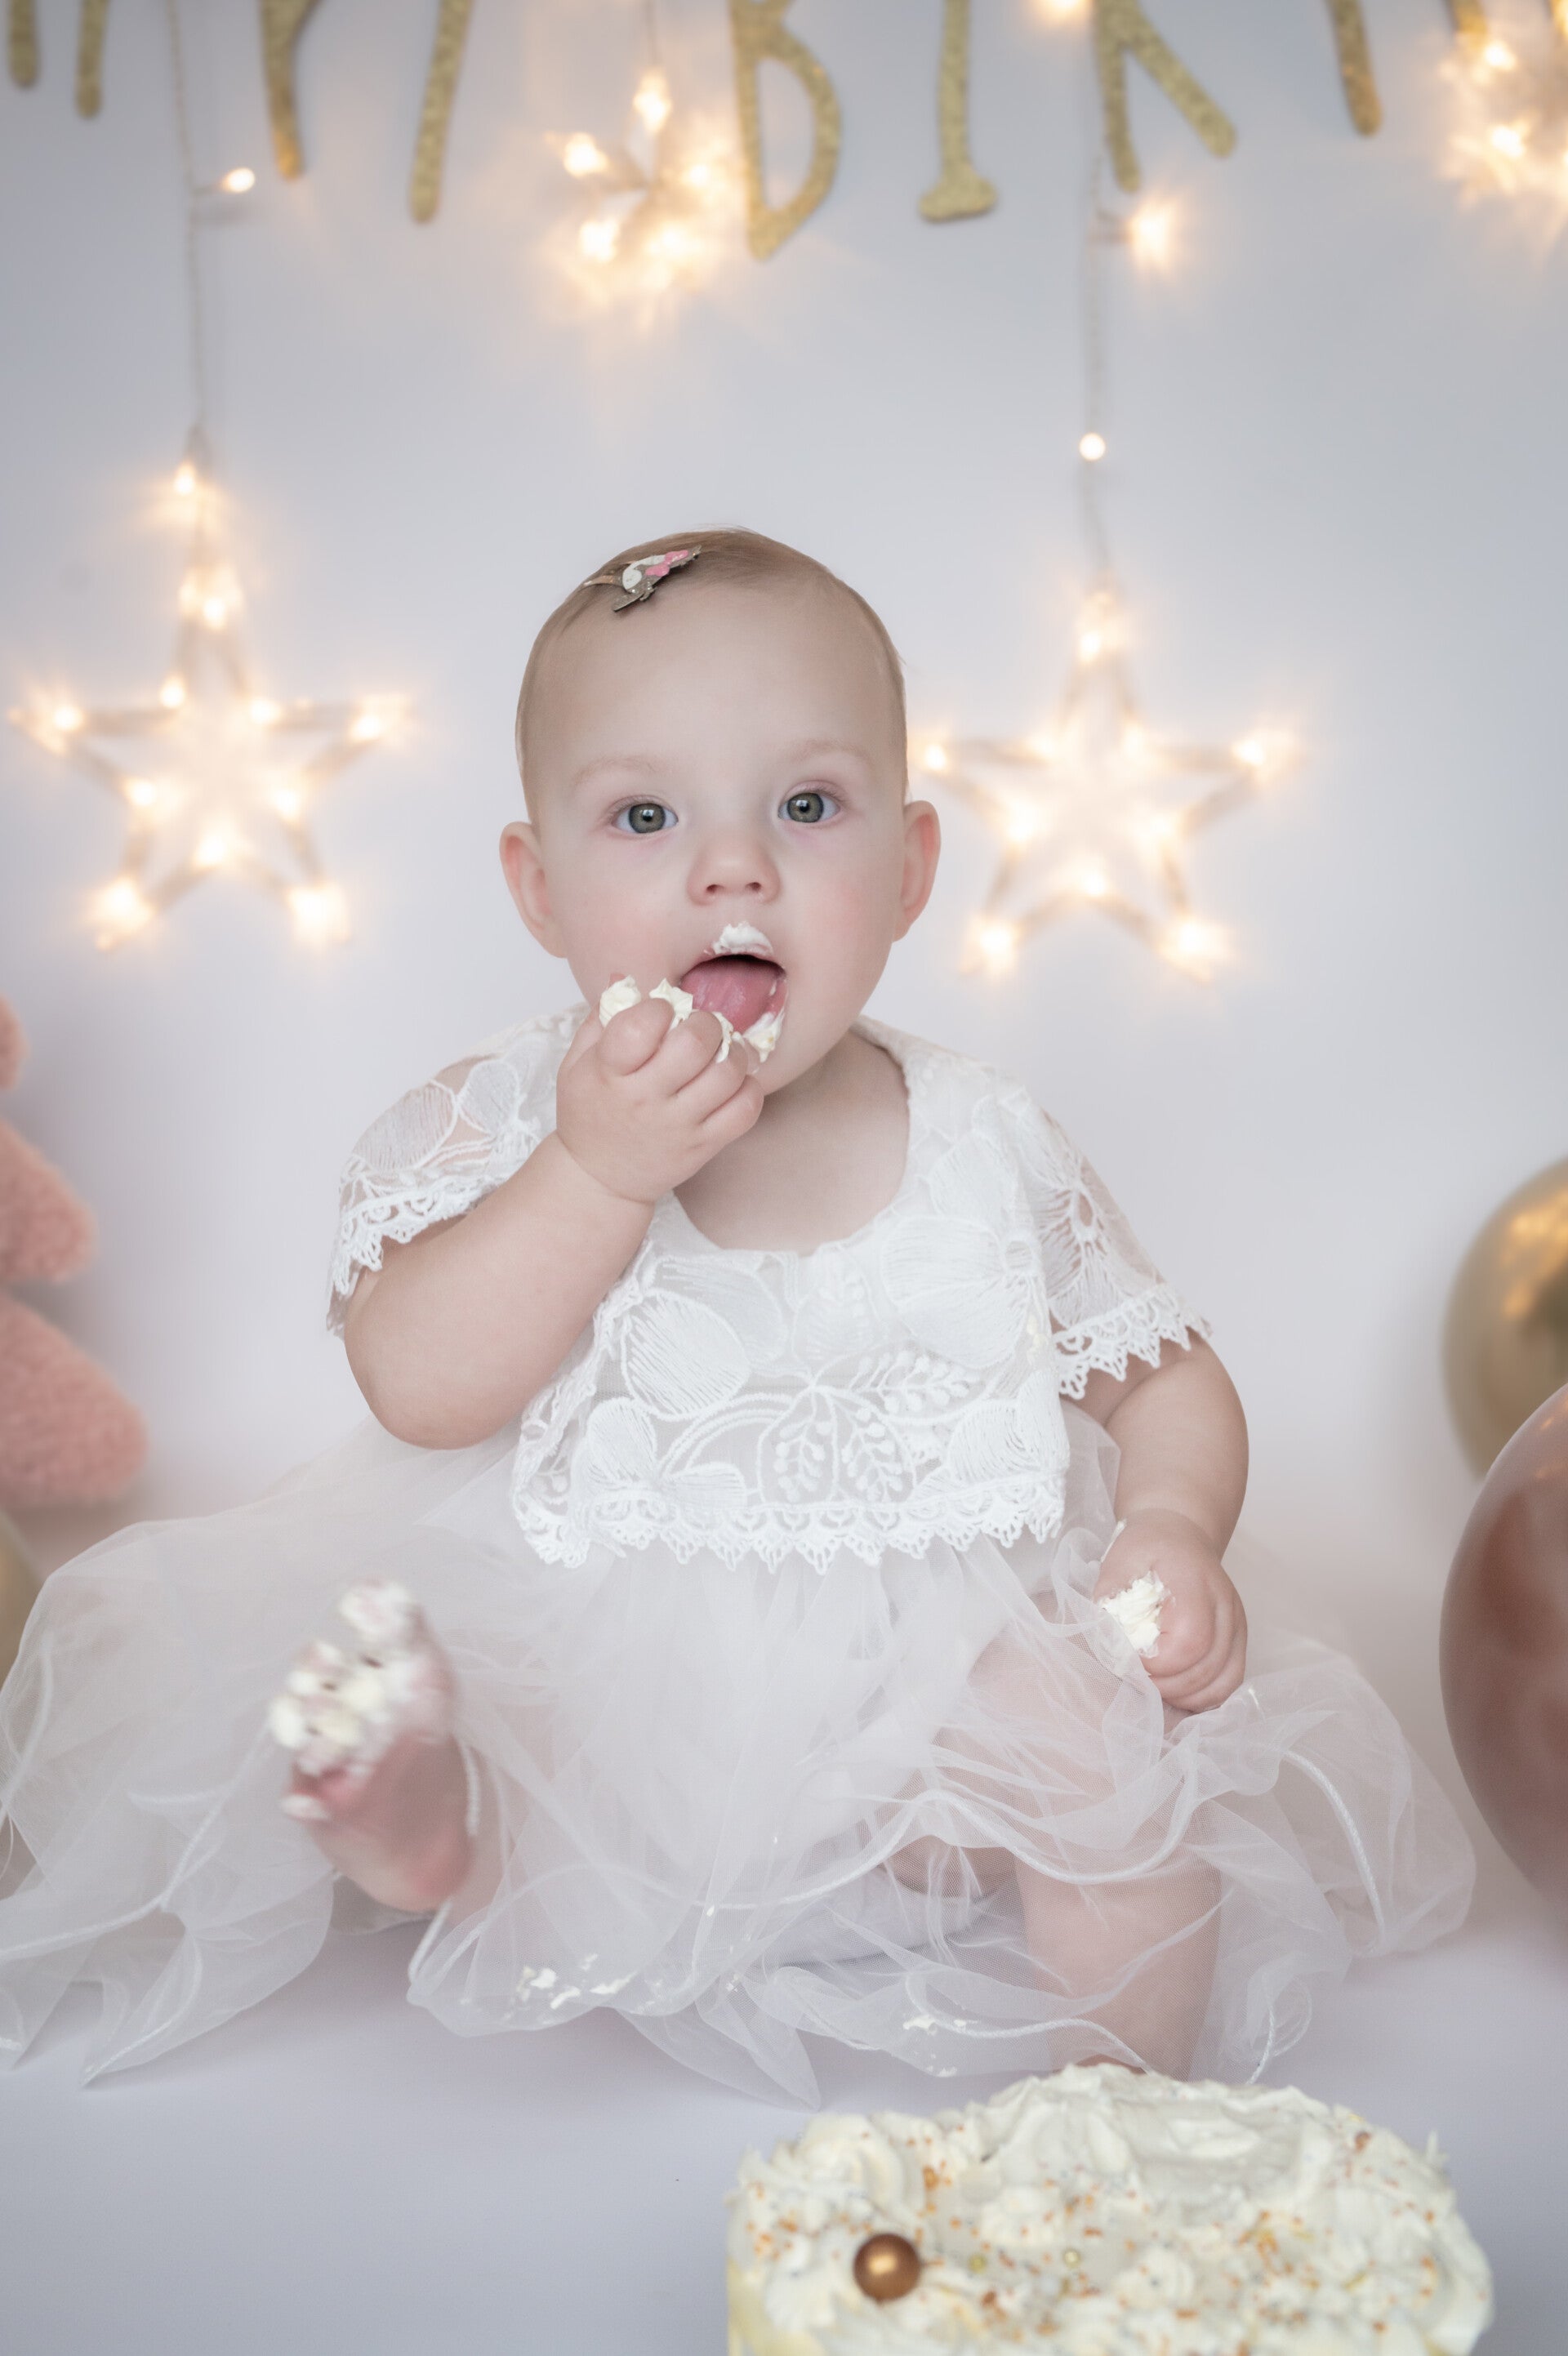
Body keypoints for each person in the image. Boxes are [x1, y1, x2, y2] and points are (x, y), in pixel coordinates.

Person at [0, 531, 1472, 2099]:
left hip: (931, 1709)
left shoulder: (984, 1136)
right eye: (645, 817)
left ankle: (1116, 2098)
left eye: (808, 806)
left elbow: (1161, 1374)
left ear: (909, 869)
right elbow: (419, 1385)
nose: (733, 868)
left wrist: (1171, 1524)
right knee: (519, 1722)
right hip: (614, 1674)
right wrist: (592, 1172)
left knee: (1096, 1738)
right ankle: (446, 1834)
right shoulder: (513, 1121)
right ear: (540, 888)